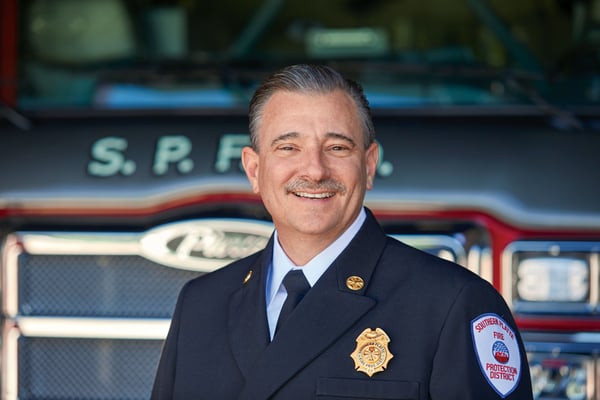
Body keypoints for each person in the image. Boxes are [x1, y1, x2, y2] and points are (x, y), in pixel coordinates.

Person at [151, 64, 533, 399]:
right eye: (288, 147)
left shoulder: (455, 305)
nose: (315, 170)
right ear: (254, 170)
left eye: (336, 148)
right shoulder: (201, 305)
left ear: (369, 165)